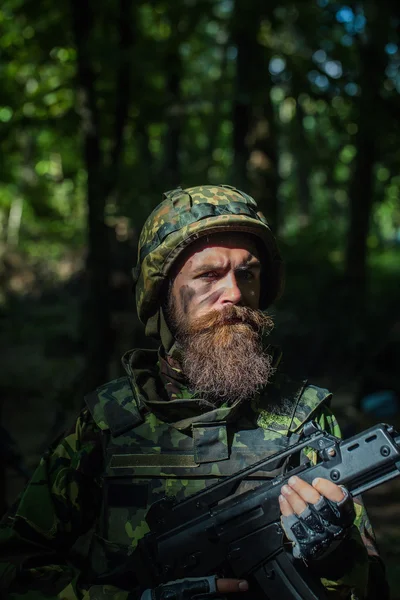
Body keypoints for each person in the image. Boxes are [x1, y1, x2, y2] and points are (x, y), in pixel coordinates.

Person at [0, 185, 389, 599]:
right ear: (161, 293)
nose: (235, 293)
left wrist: (334, 558)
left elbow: (372, 583)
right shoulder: (106, 425)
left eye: (248, 273)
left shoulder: (307, 420)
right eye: (208, 275)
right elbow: (13, 564)